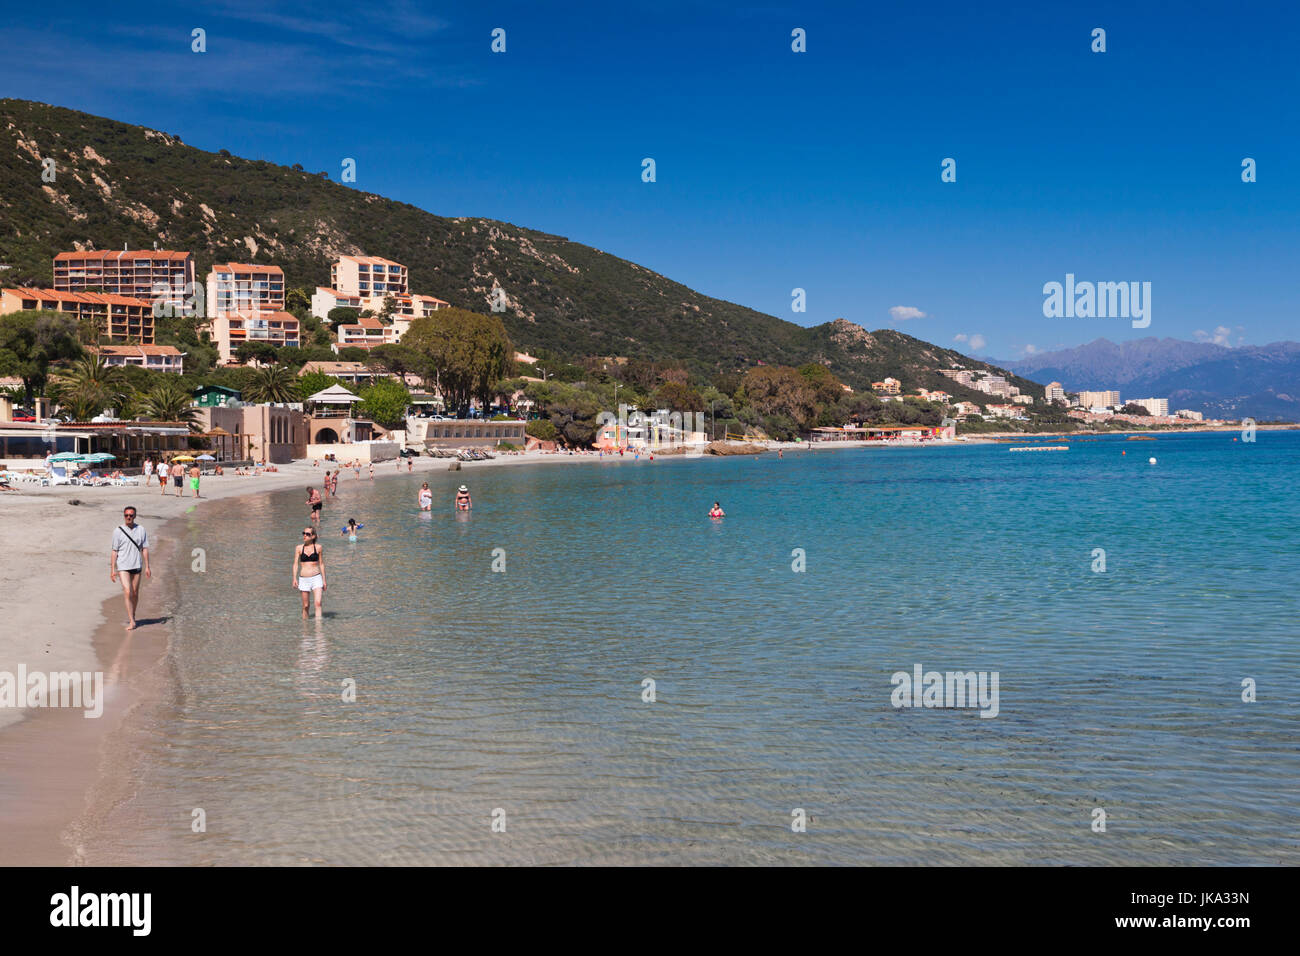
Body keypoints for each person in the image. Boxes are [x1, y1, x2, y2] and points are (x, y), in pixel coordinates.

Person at [110, 506, 150, 630]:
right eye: (126, 515)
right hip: (122, 566)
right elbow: (114, 551)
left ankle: (132, 614)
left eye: (131, 515)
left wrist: (148, 566)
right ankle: (132, 621)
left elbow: (145, 549)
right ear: (124, 516)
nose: (128, 517)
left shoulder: (141, 529)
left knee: (135, 593)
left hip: (137, 565)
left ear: (135, 516)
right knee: (127, 591)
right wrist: (112, 569)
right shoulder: (117, 531)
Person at [292, 527, 325, 619]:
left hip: (316, 578)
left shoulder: (318, 547)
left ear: (313, 536)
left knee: (318, 603)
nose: (305, 536)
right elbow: (295, 564)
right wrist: (294, 578)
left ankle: (319, 630)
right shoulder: (299, 548)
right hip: (304, 579)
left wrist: (324, 581)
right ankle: (305, 629)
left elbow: (321, 564)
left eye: (307, 534)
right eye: (304, 533)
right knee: (306, 606)